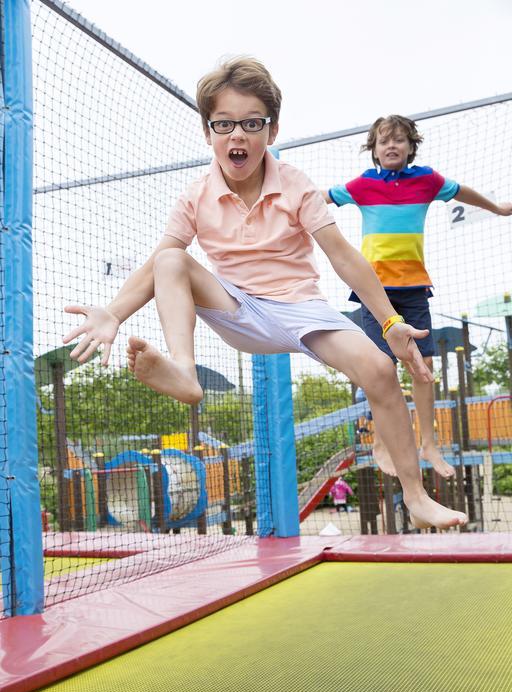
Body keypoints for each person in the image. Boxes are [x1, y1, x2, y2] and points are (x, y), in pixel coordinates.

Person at [63, 57, 467, 530]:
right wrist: (113, 313)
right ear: (208, 132)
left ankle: (415, 497)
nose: (238, 135)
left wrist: (390, 321)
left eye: (252, 123)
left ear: (271, 131)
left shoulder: (295, 185)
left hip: (300, 309)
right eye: (225, 124)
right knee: (170, 259)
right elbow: (161, 262)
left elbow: (342, 255)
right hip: (235, 307)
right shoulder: (195, 195)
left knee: (380, 370)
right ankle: (186, 373)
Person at [324, 115, 512, 479]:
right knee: (381, 368)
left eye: (398, 140)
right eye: (383, 141)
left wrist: (498, 207)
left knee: (422, 366)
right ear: (374, 150)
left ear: (411, 146)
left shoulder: (427, 180)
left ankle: (429, 442)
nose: (391, 146)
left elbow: (463, 192)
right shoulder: (363, 185)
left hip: (412, 287)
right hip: (374, 291)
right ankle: (382, 440)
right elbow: (321, 199)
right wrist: (280, 204)